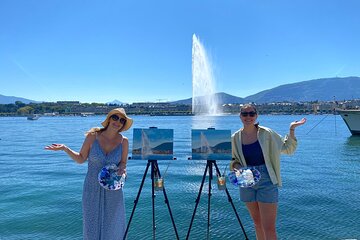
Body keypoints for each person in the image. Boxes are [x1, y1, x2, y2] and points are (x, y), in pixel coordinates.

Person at [45, 108, 133, 240]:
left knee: (113, 225)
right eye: (115, 117)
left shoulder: (124, 141)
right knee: (91, 225)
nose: (118, 122)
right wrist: (65, 148)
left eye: (122, 120)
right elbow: (80, 159)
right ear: (109, 119)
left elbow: (123, 162)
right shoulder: (93, 136)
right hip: (92, 187)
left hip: (113, 189)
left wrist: (122, 169)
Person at [230, 104, 306, 240]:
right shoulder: (235, 137)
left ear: (256, 115)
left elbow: (287, 149)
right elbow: (234, 160)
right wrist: (238, 168)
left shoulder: (267, 133)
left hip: (266, 178)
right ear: (240, 116)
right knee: (257, 224)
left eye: (251, 114)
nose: (248, 117)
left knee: (269, 227)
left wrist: (292, 130)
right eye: (245, 114)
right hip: (246, 179)